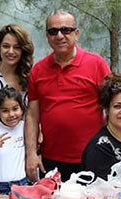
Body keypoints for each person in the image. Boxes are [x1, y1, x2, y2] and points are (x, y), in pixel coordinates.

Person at [25, 10, 111, 182]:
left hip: (92, 157)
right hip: (51, 160)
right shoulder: (38, 70)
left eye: (66, 30)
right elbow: (32, 115)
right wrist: (31, 154)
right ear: (47, 36)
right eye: (53, 31)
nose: (59, 36)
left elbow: (111, 109)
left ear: (76, 33)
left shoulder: (96, 64)